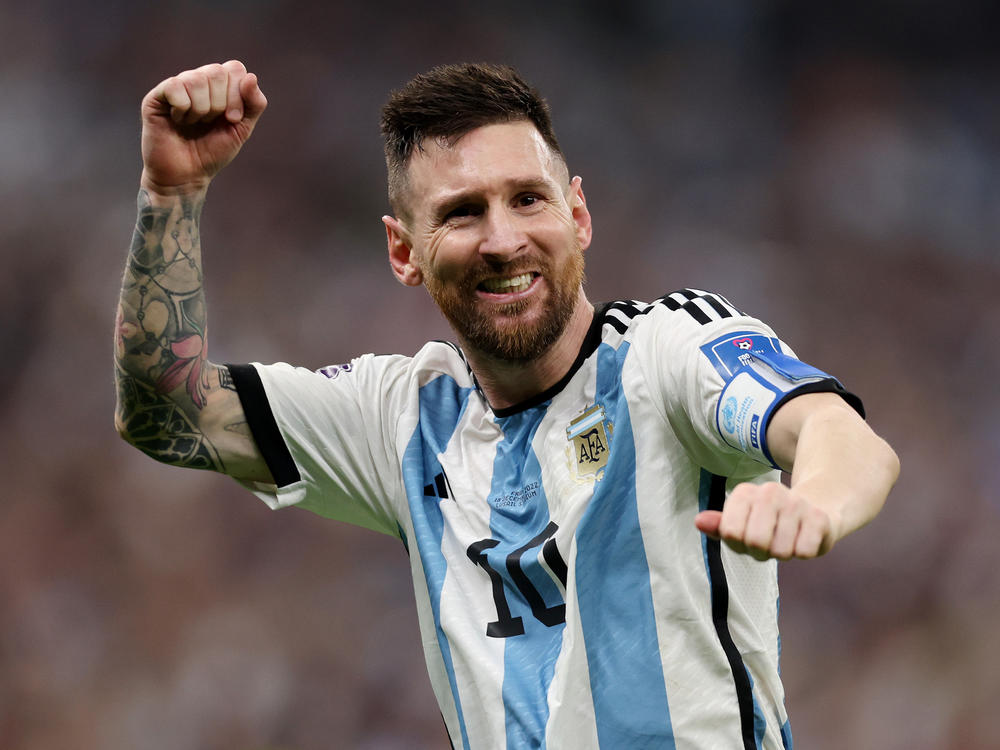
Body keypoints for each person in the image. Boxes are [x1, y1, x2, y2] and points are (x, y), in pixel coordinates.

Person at [114, 60, 899, 749]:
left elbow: (835, 430)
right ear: (402, 251)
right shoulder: (404, 417)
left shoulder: (666, 354)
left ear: (578, 215)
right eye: (462, 212)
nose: (503, 239)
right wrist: (172, 192)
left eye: (528, 199)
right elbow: (165, 410)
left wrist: (816, 506)